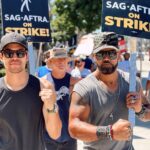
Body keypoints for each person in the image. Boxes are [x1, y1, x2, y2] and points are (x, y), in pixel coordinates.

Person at [69, 32, 145, 150]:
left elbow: (147, 114)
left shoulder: (132, 83)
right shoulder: (84, 88)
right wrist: (109, 132)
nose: (106, 58)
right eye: (100, 54)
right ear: (93, 57)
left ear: (118, 55)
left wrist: (140, 109)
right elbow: (74, 128)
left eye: (111, 54)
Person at [0, 32, 62, 150]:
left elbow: (55, 133)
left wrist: (51, 107)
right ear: (1, 56)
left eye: (20, 53)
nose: (14, 57)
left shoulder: (44, 87)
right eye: (8, 53)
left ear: (27, 56)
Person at [41, 48, 79, 150]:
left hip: (70, 137)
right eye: (57, 59)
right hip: (48, 137)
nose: (61, 62)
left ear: (67, 62)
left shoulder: (75, 82)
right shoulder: (43, 82)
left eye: (64, 59)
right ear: (51, 62)